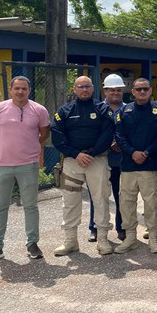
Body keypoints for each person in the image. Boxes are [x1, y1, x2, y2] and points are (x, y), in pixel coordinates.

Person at [0, 76, 50, 264]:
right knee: (0, 207)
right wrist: (6, 147)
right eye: (16, 88)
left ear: (29, 90)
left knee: (31, 205)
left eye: (24, 88)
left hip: (28, 164)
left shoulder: (39, 110)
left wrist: (30, 147)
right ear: (10, 90)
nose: (20, 92)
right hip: (2, 164)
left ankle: (32, 244)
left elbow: (44, 133)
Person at [51, 76, 116, 256]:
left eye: (87, 86)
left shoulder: (103, 109)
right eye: (81, 87)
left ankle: (102, 240)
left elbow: (107, 133)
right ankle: (70, 241)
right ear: (75, 89)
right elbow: (56, 134)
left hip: (97, 160)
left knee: (101, 199)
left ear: (93, 88)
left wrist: (92, 153)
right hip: (72, 162)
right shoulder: (65, 110)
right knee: (70, 201)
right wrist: (75, 154)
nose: (84, 89)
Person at [114, 77, 157, 254]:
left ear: (151, 90)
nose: (142, 92)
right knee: (127, 202)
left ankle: (153, 236)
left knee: (152, 203)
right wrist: (132, 152)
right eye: (139, 89)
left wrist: (145, 153)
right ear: (133, 91)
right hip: (129, 166)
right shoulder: (124, 111)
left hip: (150, 165)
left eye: (145, 89)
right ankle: (130, 236)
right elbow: (119, 136)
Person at [92, 73, 126, 242]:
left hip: (121, 161)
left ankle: (122, 228)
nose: (115, 93)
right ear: (105, 91)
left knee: (122, 197)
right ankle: (96, 228)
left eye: (118, 90)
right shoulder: (97, 110)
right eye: (111, 90)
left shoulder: (129, 109)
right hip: (101, 159)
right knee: (98, 196)